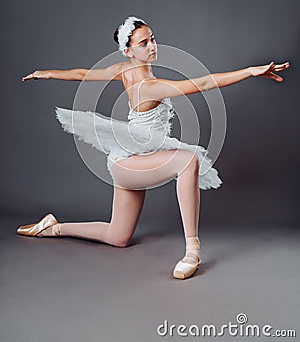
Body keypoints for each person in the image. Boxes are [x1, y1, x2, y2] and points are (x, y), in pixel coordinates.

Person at [17, 16, 290, 280]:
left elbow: (82, 74)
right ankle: (192, 251)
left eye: (153, 39)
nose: (152, 45)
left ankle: (52, 227)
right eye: (144, 43)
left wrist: (48, 73)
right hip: (130, 163)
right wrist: (249, 71)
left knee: (118, 236)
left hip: (133, 159)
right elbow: (204, 83)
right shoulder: (150, 86)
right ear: (128, 51)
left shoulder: (122, 71)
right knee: (188, 160)